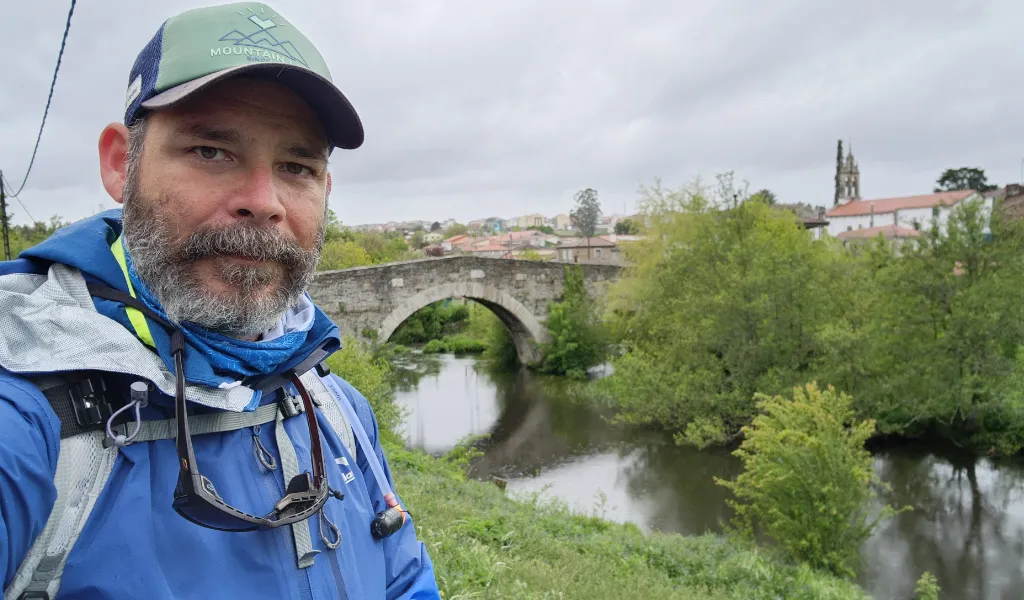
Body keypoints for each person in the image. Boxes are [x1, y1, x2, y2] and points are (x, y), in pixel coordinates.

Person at [0, 3, 441, 599]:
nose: (263, 201)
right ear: (120, 164)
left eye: (296, 165)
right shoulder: (29, 414)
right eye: (212, 151)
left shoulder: (336, 406)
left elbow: (403, 577)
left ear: (325, 190)